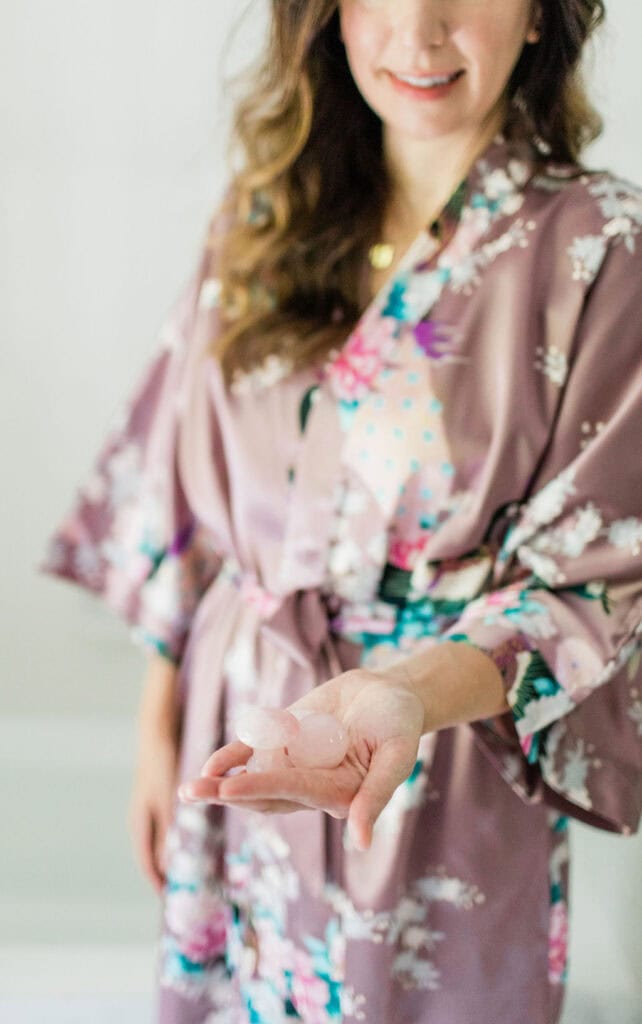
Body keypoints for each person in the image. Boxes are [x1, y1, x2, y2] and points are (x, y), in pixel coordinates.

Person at [39, 0, 642, 1021]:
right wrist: (159, 728)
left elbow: (598, 583)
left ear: (543, 16)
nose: (420, 33)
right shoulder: (262, 213)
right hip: (235, 739)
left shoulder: (600, 250)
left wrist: (404, 693)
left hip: (432, 764)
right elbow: (177, 498)